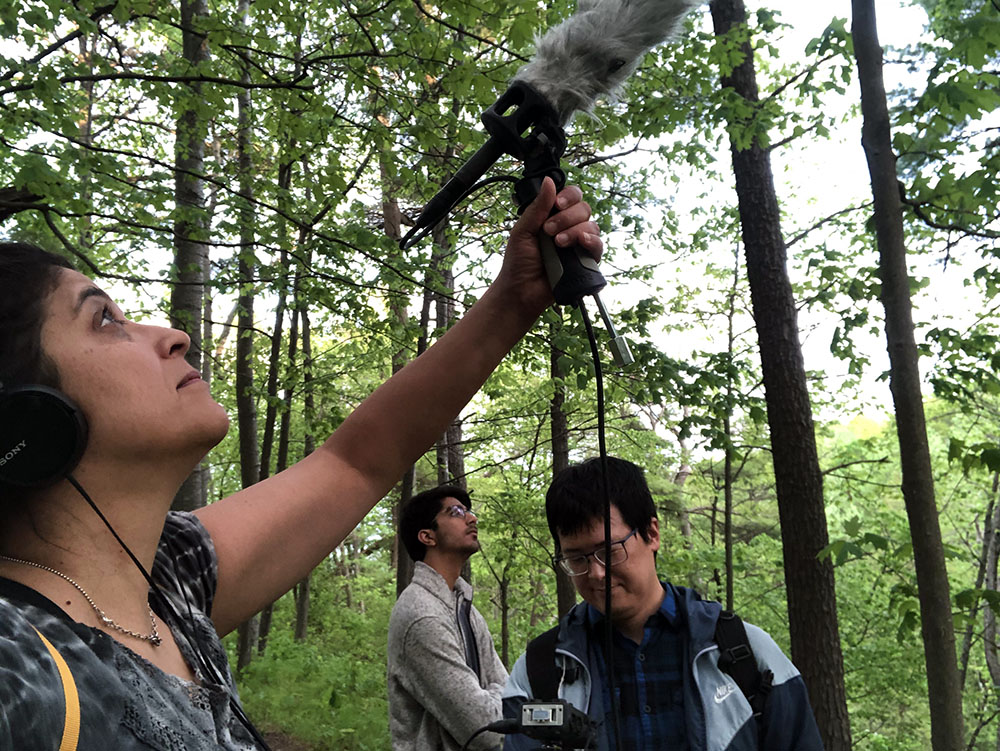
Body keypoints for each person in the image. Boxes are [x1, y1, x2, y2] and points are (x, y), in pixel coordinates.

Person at [0, 176, 601, 749]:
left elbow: (358, 461)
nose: (172, 336)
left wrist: (518, 297)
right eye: (104, 319)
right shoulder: (16, 666)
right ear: (28, 421)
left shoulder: (171, 579)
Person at [501, 457, 824, 751]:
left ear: (651, 534)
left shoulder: (744, 652)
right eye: (576, 558)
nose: (597, 573)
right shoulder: (539, 672)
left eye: (609, 551)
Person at [387, 485, 507, 751]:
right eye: (456, 512)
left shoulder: (465, 608)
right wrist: (502, 699)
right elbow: (486, 731)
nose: (472, 518)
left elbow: (513, 691)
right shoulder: (421, 614)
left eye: (469, 511)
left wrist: (499, 697)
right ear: (427, 536)